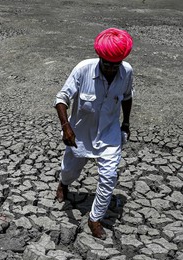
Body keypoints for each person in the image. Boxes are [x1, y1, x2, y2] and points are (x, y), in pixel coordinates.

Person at [54, 28, 134, 240]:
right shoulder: (83, 69)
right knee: (70, 171)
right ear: (99, 57)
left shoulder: (126, 72)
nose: (109, 69)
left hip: (109, 134)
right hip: (80, 134)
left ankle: (95, 218)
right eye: (106, 64)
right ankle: (63, 183)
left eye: (114, 65)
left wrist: (125, 124)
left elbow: (126, 98)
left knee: (108, 177)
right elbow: (61, 98)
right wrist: (66, 126)